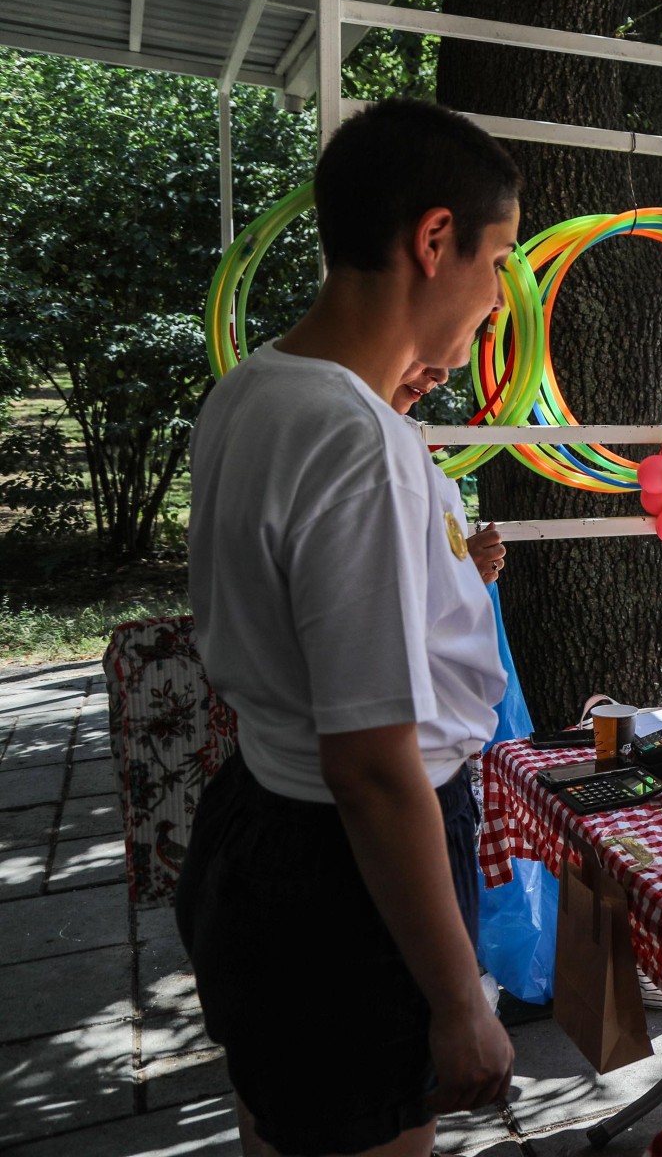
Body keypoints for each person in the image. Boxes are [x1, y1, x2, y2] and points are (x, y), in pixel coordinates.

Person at [177, 99, 521, 1155]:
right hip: (347, 875)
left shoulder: (252, 390)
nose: (500, 292)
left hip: (259, 827)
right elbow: (373, 766)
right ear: (432, 241)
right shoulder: (352, 436)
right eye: (498, 257)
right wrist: (459, 997)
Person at [390, 363, 506, 586]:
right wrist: (459, 568)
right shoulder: (348, 443)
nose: (442, 376)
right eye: (427, 351)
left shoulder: (406, 434)